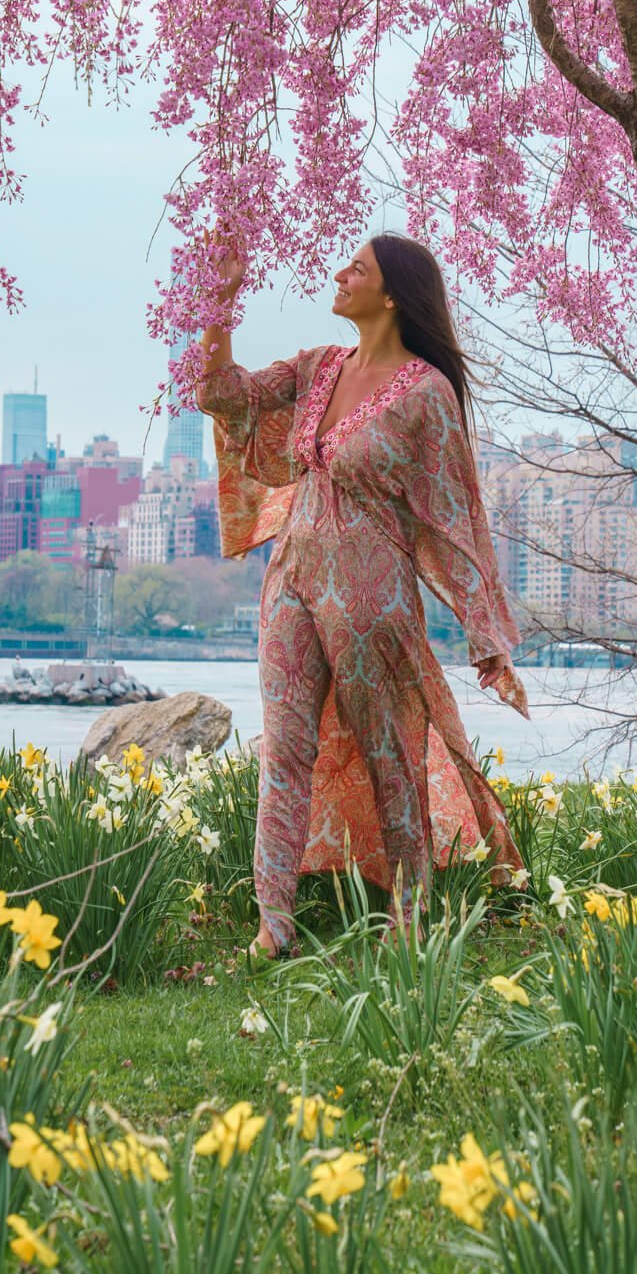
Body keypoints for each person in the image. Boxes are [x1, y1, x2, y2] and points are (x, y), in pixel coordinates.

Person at [195, 226, 529, 960]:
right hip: (291, 577)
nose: (341, 273)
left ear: (391, 293)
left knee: (390, 754)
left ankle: (410, 921)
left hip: (371, 590)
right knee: (283, 748)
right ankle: (272, 924)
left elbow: (454, 514)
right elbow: (222, 395)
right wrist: (220, 298)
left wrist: (486, 637)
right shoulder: (319, 368)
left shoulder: (428, 394)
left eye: (359, 267)